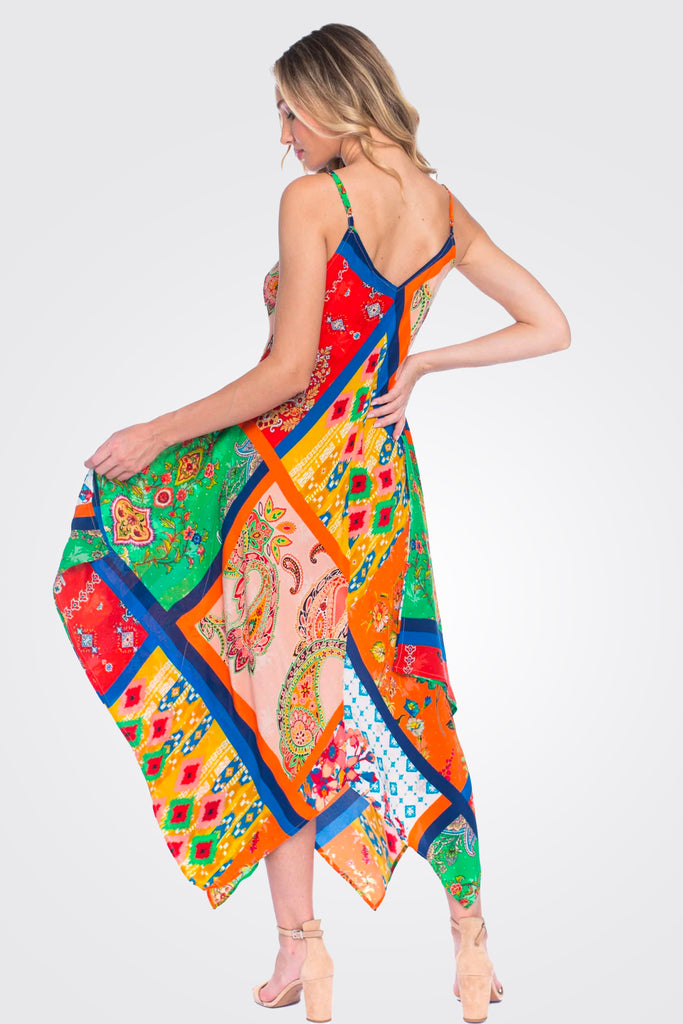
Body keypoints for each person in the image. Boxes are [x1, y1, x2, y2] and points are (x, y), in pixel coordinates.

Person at [53, 22, 570, 1024]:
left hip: (291, 494)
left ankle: (306, 951)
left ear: (334, 103)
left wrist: (154, 433)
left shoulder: (316, 199)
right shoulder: (440, 207)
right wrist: (421, 361)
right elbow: (549, 325)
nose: (283, 134)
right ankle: (469, 943)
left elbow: (288, 373)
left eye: (290, 112)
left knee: (276, 709)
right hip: (378, 492)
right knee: (409, 692)